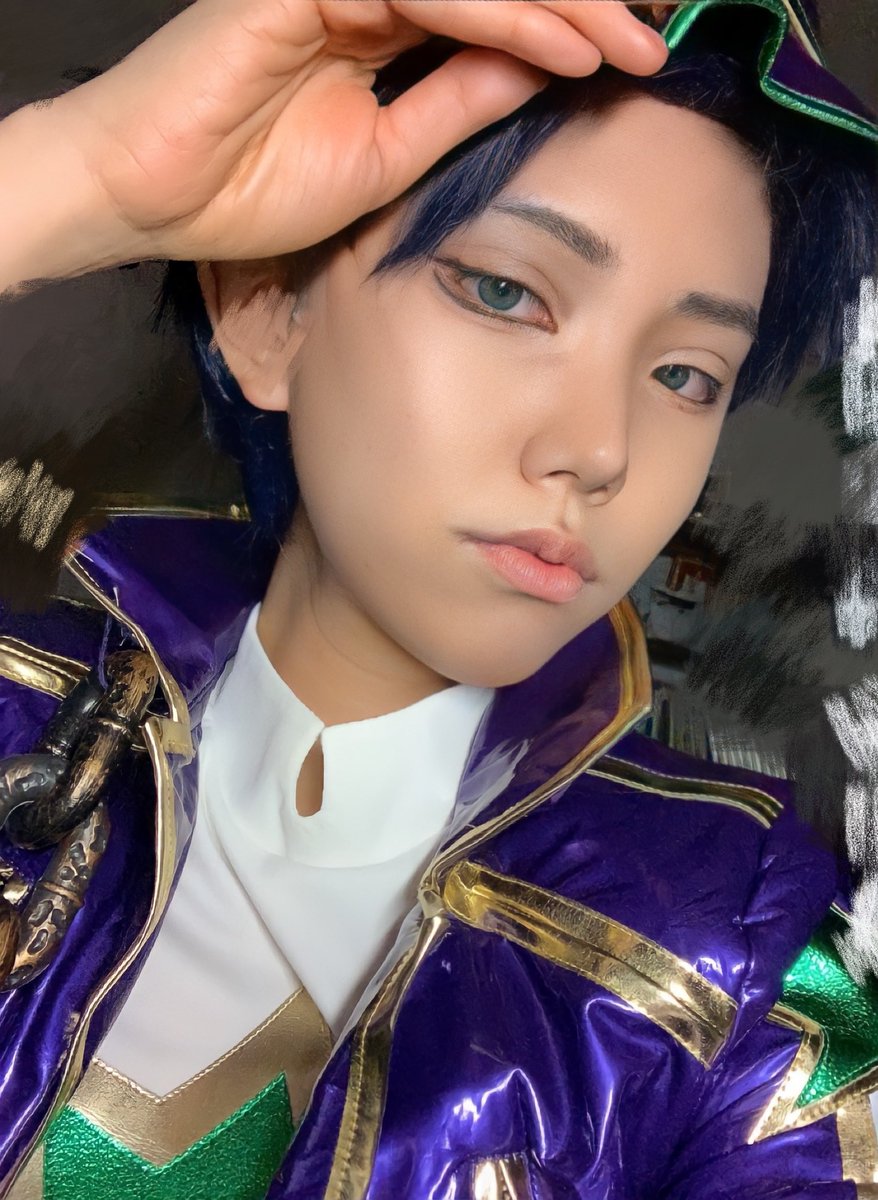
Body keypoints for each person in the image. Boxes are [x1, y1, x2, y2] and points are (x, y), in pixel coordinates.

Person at [0, 1, 876, 1197]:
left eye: (684, 374)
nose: (599, 450)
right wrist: (76, 177)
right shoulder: (17, 712)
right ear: (267, 308)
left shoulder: (742, 957)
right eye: (507, 293)